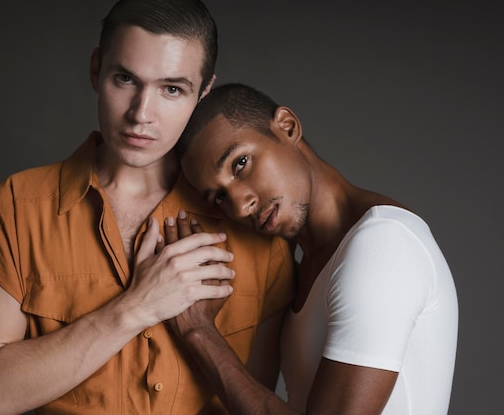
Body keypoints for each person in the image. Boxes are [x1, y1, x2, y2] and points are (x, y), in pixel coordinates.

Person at [0, 0, 294, 415]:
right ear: (96, 70)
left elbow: (254, 404)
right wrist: (138, 306)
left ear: (203, 92)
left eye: (172, 89)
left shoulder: (250, 226)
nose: (141, 114)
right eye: (125, 79)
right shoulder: (16, 208)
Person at [170, 82, 458, 414]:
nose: (240, 205)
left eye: (240, 163)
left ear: (287, 127)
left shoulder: (384, 243)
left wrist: (199, 330)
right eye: (220, 197)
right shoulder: (305, 268)